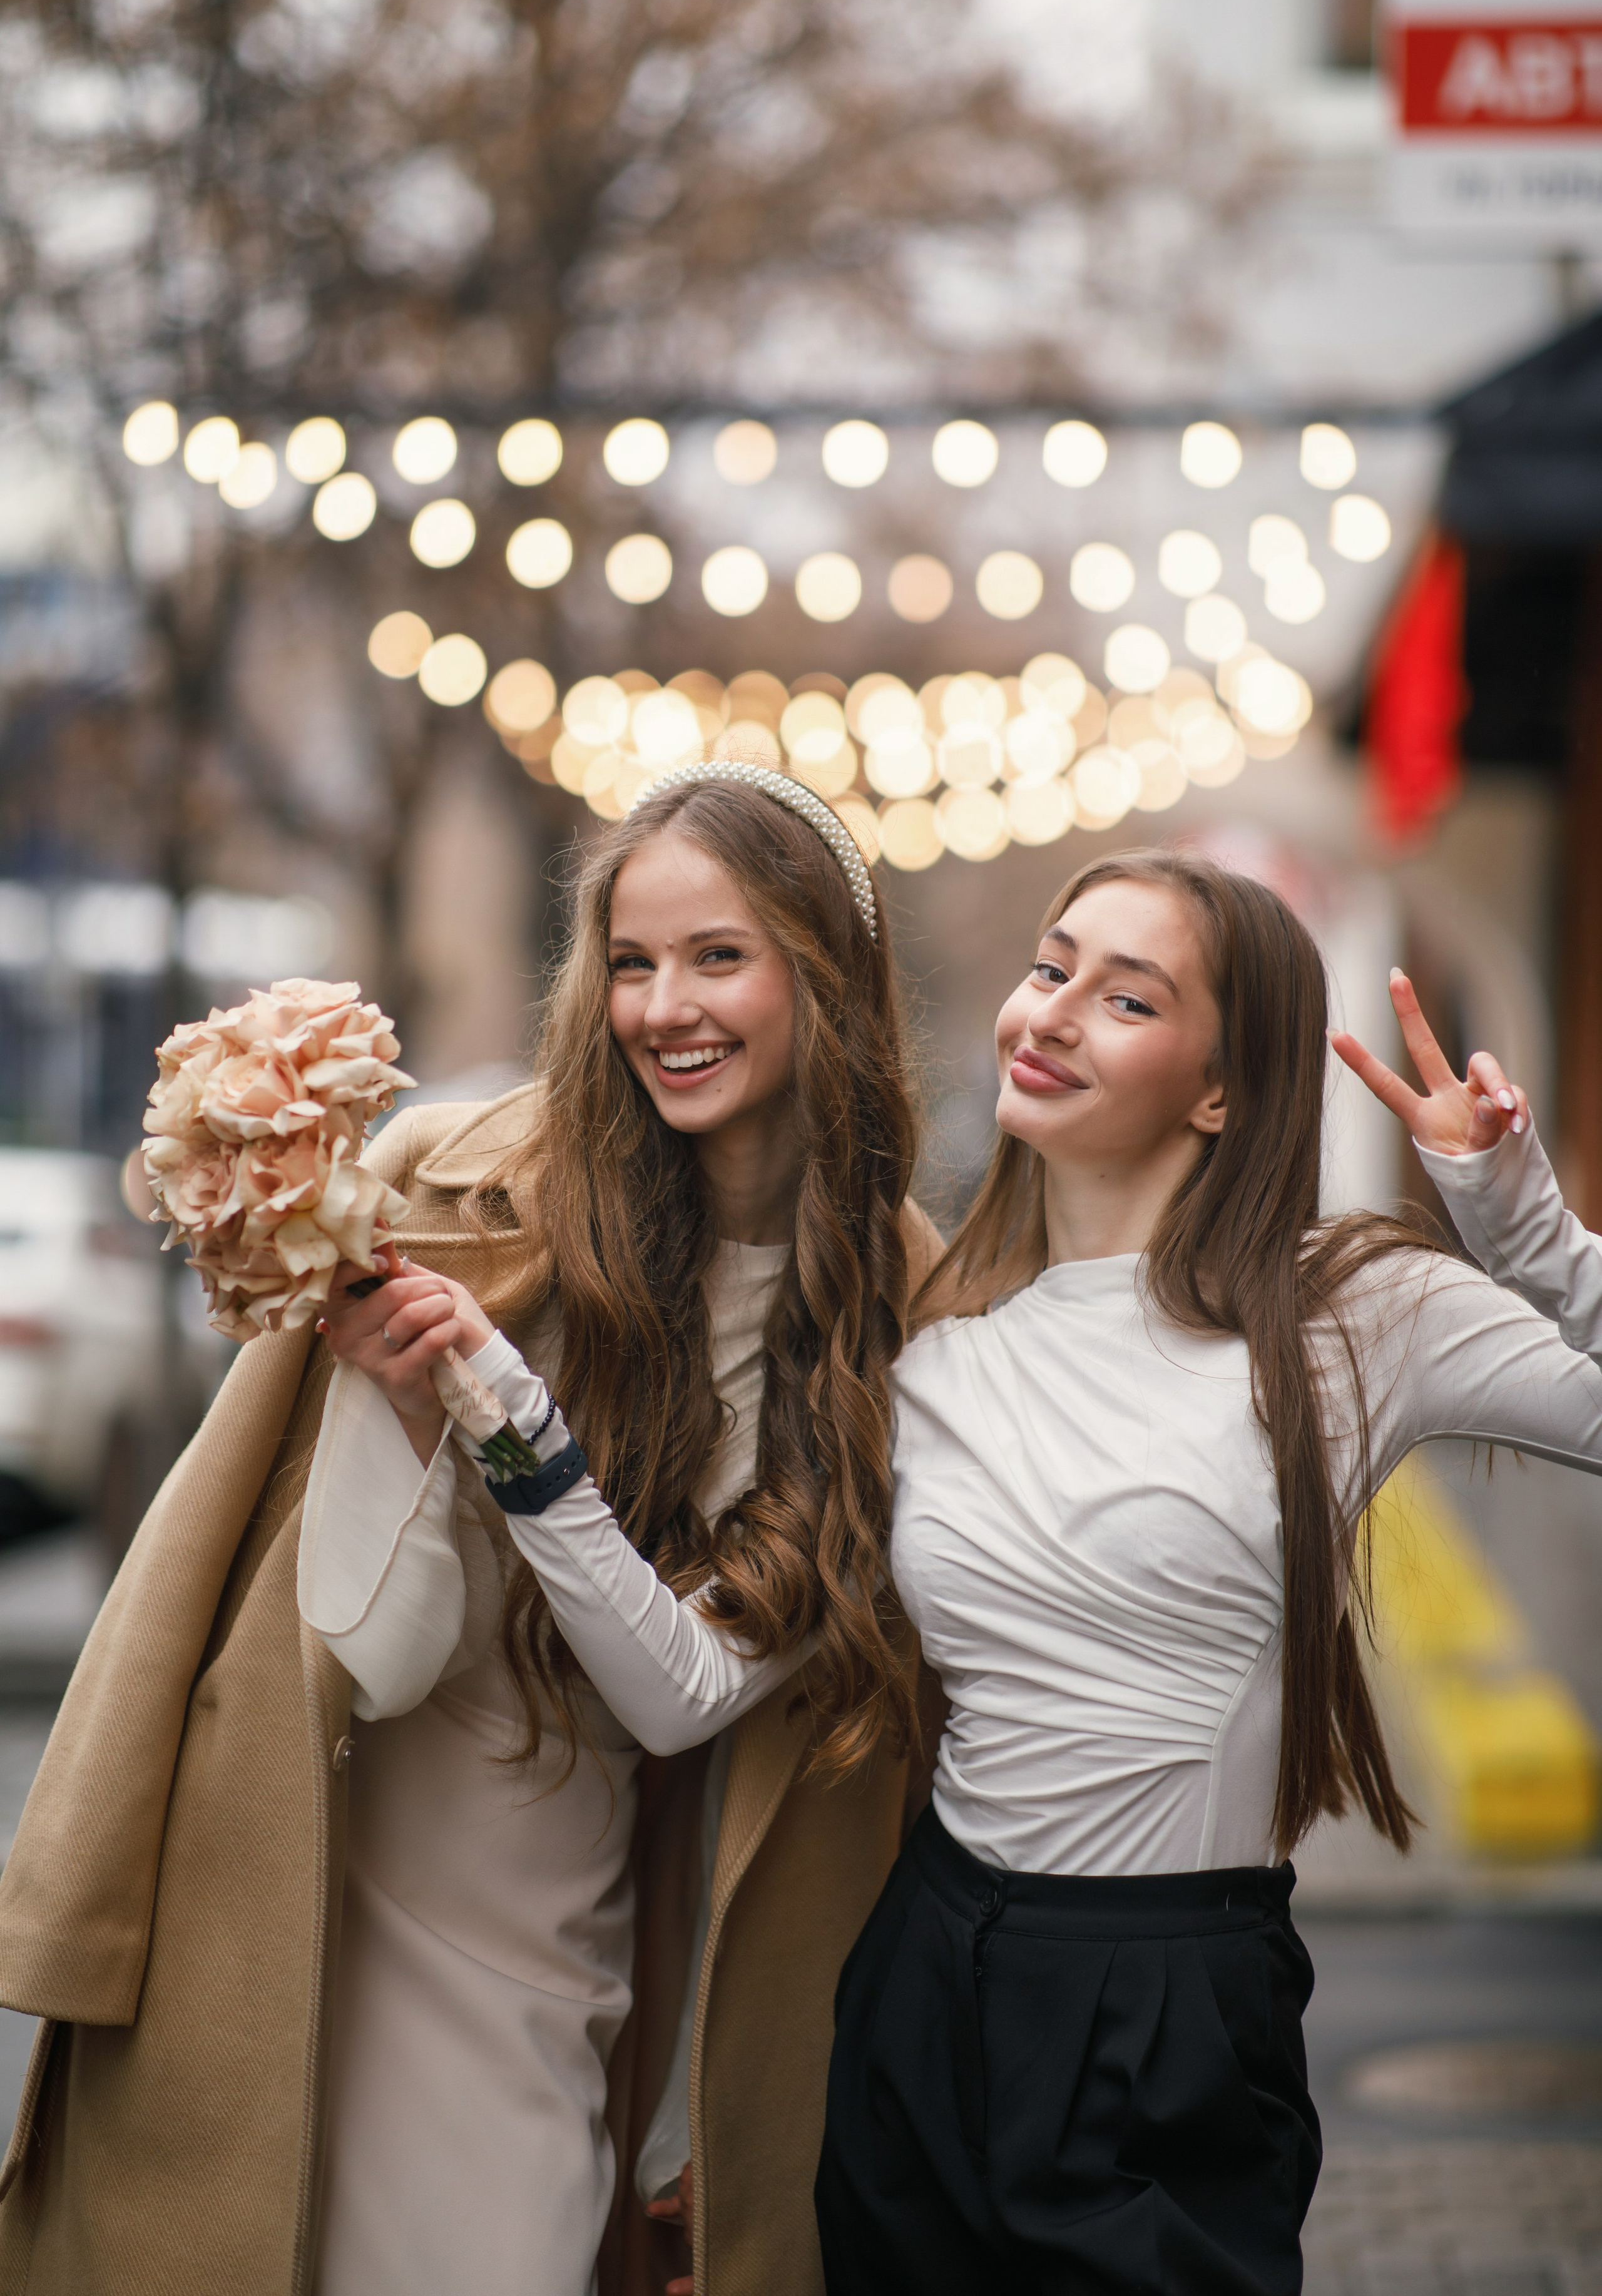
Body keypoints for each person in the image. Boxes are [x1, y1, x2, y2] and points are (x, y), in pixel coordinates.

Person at [448, 849, 1602, 2296]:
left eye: (1124, 998)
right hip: (921, 1983)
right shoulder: (926, 1352)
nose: (1047, 1015)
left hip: (1172, 2004)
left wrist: (1515, 1221)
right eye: (1048, 970)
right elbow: (682, 1690)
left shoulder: (1355, 1314)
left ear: (1220, 1089)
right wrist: (508, 1425)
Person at [0, 763, 937, 2296]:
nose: (663, 1008)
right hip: (320, 1874)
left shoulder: (895, 1317)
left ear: (821, 974)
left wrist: (505, 1417)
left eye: (719, 957)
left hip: (554, 1934)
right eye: (631, 963)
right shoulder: (469, 1190)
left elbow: (683, 1694)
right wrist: (405, 1411)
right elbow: (373, 1650)